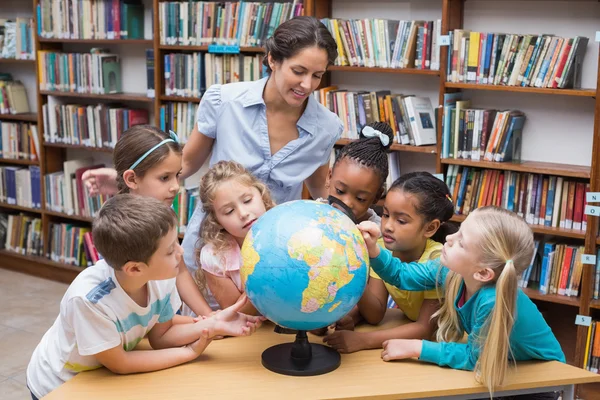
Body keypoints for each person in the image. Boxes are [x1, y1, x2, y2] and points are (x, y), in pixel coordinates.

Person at [82, 16, 343, 313]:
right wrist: (127, 181)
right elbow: (187, 162)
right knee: (207, 330)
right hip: (214, 247)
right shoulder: (225, 101)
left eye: (318, 75)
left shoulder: (326, 127)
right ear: (272, 59)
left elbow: (320, 188)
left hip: (278, 256)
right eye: (298, 71)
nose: (307, 84)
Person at [26, 195, 264, 400]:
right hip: (59, 383)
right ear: (135, 269)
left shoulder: (162, 275)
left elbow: (161, 334)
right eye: (171, 250)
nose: (181, 253)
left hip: (100, 373)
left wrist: (212, 323)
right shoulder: (90, 301)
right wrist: (189, 353)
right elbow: (121, 363)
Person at [358, 206, 565, 398]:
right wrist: (374, 250)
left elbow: (475, 358)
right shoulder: (451, 271)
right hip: (505, 366)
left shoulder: (490, 301)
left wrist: (417, 348)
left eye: (461, 242)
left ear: (483, 272)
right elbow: (403, 275)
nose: (448, 237)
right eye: (458, 230)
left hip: (540, 381)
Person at [324, 172, 455, 353]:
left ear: (430, 228)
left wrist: (363, 340)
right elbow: (375, 313)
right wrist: (351, 316)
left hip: (448, 343)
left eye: (401, 220)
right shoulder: (382, 249)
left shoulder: (438, 261)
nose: (387, 226)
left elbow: (425, 329)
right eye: (385, 215)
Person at [111, 125, 213, 318]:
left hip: (162, 314)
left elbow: (180, 269)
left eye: (177, 175)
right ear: (132, 179)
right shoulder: (121, 227)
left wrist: (209, 316)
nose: (175, 186)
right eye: (164, 178)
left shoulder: (166, 212)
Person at [195, 161, 275, 314]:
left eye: (247, 200)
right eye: (229, 211)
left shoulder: (289, 234)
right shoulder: (214, 257)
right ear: (217, 221)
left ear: (261, 194)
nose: (243, 213)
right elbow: (238, 313)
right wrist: (269, 273)